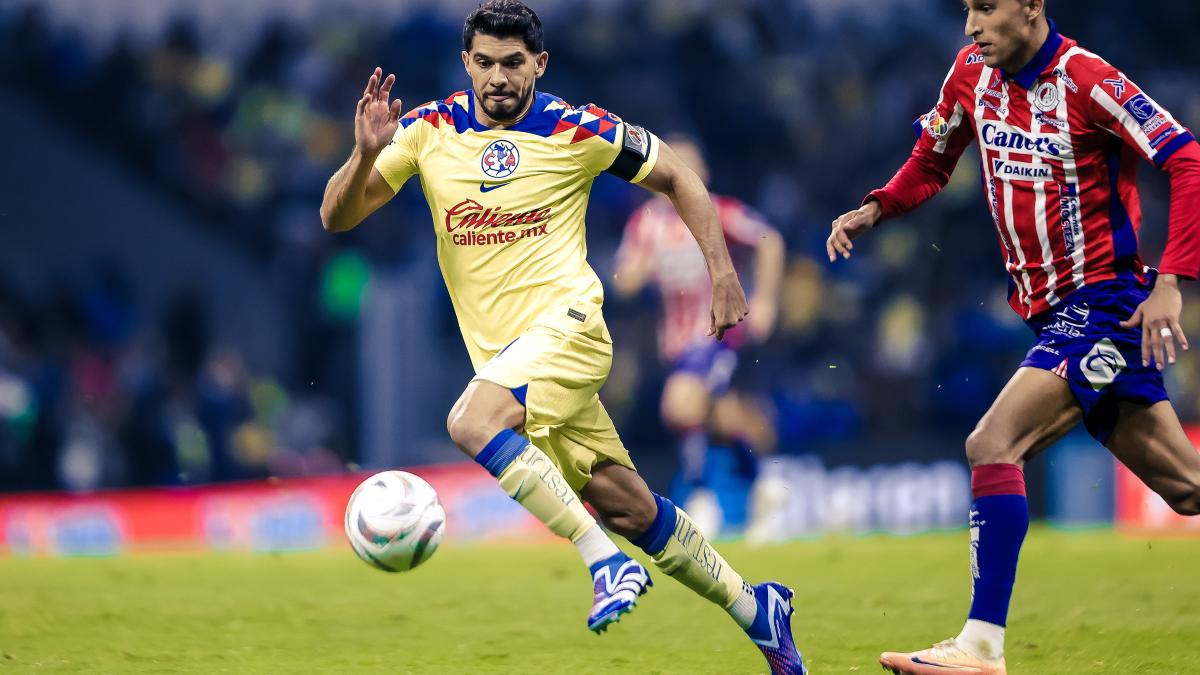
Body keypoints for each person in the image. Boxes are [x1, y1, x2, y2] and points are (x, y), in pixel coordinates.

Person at [319, 2, 805, 672]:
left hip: (571, 331)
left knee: (469, 420)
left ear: (539, 65)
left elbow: (678, 176)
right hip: (511, 363)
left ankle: (603, 563)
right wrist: (366, 151)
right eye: (485, 62)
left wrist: (723, 272)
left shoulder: (578, 128)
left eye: (513, 63)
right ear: (467, 63)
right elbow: (337, 215)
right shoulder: (425, 129)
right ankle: (758, 610)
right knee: (629, 505)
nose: (497, 77)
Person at [828, 1, 1200, 673]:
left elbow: (1186, 156)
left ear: (1031, 6)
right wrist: (877, 206)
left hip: (1105, 303)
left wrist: (1173, 279)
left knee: (992, 443)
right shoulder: (971, 72)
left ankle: (981, 646)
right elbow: (932, 159)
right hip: (1052, 312)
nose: (972, 24)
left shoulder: (1087, 80)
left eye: (987, 7)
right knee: (1187, 487)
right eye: (968, 8)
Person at [613, 135, 784, 537]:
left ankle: (702, 498)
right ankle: (767, 484)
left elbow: (769, 239)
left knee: (679, 406)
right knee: (723, 419)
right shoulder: (646, 223)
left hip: (719, 332)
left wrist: (767, 300)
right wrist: (630, 275)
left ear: (701, 174)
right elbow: (624, 280)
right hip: (676, 342)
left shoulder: (717, 211)